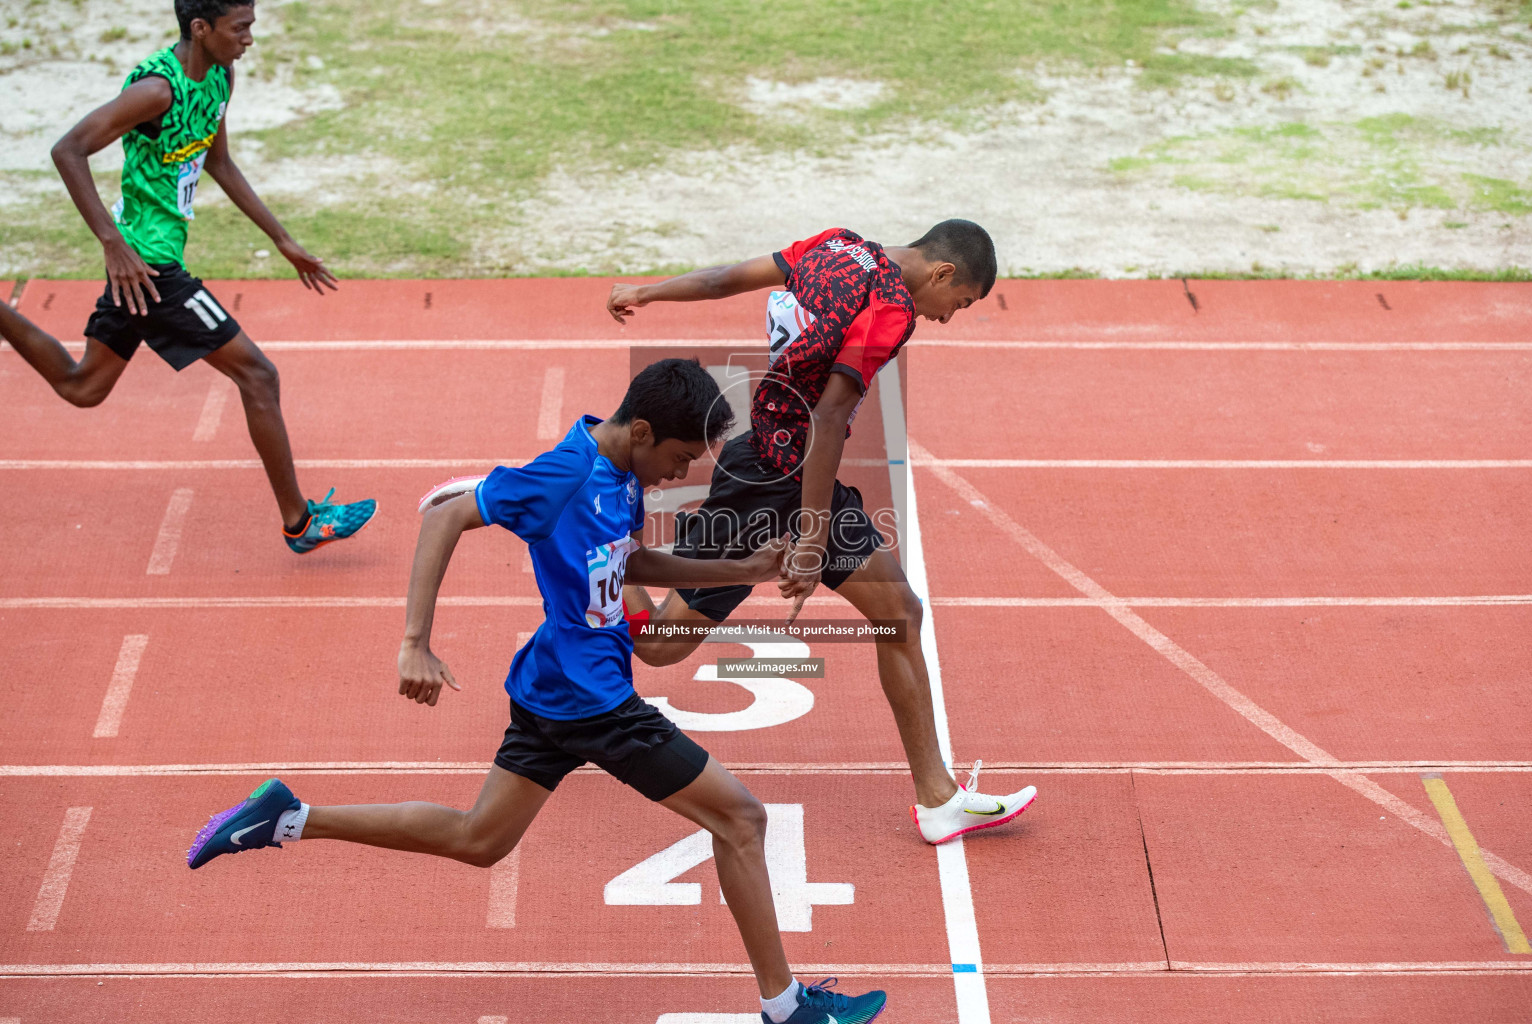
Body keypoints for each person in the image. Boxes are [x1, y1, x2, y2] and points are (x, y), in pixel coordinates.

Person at [186, 359, 889, 1024]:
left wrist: (744, 566)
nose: (683, 472)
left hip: (552, 685)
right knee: (741, 820)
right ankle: (788, 1008)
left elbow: (628, 557)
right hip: (594, 700)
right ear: (642, 432)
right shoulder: (566, 473)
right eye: (680, 457)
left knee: (479, 838)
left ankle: (288, 817)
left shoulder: (621, 470)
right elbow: (444, 516)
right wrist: (415, 642)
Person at [606, 221, 1036, 845]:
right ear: (943, 274)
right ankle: (611, 550)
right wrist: (811, 538)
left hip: (799, 472)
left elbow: (726, 279)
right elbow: (829, 414)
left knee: (900, 612)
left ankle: (938, 799)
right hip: (769, 479)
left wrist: (647, 291)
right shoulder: (890, 310)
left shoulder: (835, 245)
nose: (947, 317)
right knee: (660, 646)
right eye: (959, 304)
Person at [0, 0, 374, 552]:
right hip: (150, 269)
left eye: (251, 25)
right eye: (239, 27)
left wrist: (281, 239)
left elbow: (219, 162)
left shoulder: (220, 76)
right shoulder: (156, 91)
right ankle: (299, 521)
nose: (249, 38)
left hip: (145, 265)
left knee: (84, 386)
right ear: (201, 28)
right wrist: (113, 244)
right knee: (259, 376)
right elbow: (68, 149)